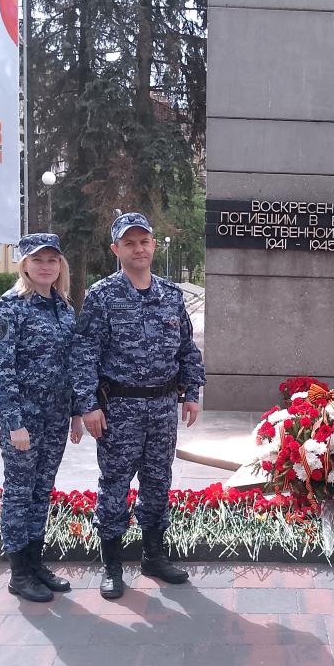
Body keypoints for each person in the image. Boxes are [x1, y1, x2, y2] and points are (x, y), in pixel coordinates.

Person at [70, 212, 205, 599]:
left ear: (153, 245)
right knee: (114, 485)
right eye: (129, 242)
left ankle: (153, 555)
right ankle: (111, 566)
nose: (138, 248)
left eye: (143, 241)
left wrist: (191, 391)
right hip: (119, 411)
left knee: (158, 483)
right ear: (116, 249)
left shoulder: (170, 295)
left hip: (163, 408)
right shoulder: (102, 295)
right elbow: (85, 354)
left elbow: (186, 350)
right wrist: (88, 405)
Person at [0, 233, 83, 602]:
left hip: (56, 417)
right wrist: (14, 423)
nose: (46, 266)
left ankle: (35, 562)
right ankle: (18, 573)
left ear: (60, 266)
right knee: (19, 492)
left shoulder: (63, 306)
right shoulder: (10, 307)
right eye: (38, 260)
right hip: (24, 421)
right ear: (24, 264)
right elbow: (0, 371)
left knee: (42, 490)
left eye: (52, 260)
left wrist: (75, 414)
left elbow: (70, 365)